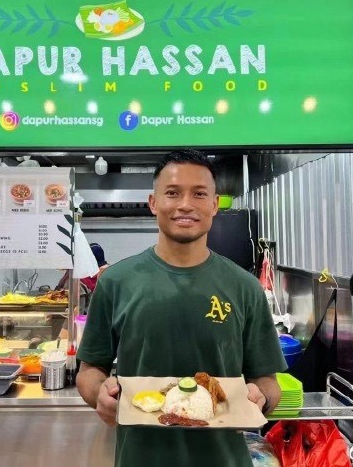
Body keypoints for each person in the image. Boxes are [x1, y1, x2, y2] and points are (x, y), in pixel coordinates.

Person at [76, 149, 286, 467]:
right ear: (153, 203)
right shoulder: (116, 281)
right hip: (141, 459)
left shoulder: (244, 287)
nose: (186, 204)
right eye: (172, 193)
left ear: (214, 205)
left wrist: (262, 397)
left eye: (199, 194)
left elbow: (268, 381)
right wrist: (99, 394)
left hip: (223, 459)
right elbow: (89, 371)